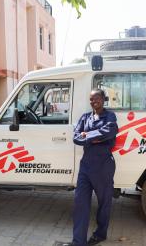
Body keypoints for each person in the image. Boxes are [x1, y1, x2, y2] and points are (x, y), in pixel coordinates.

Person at [56, 89, 118, 246]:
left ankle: (101, 233)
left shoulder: (109, 116)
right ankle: (78, 242)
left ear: (103, 99)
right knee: (80, 203)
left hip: (103, 165)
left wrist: (87, 135)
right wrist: (95, 137)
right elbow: (76, 138)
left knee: (104, 203)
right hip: (86, 166)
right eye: (91, 99)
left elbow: (110, 131)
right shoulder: (85, 117)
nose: (94, 101)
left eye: (97, 98)